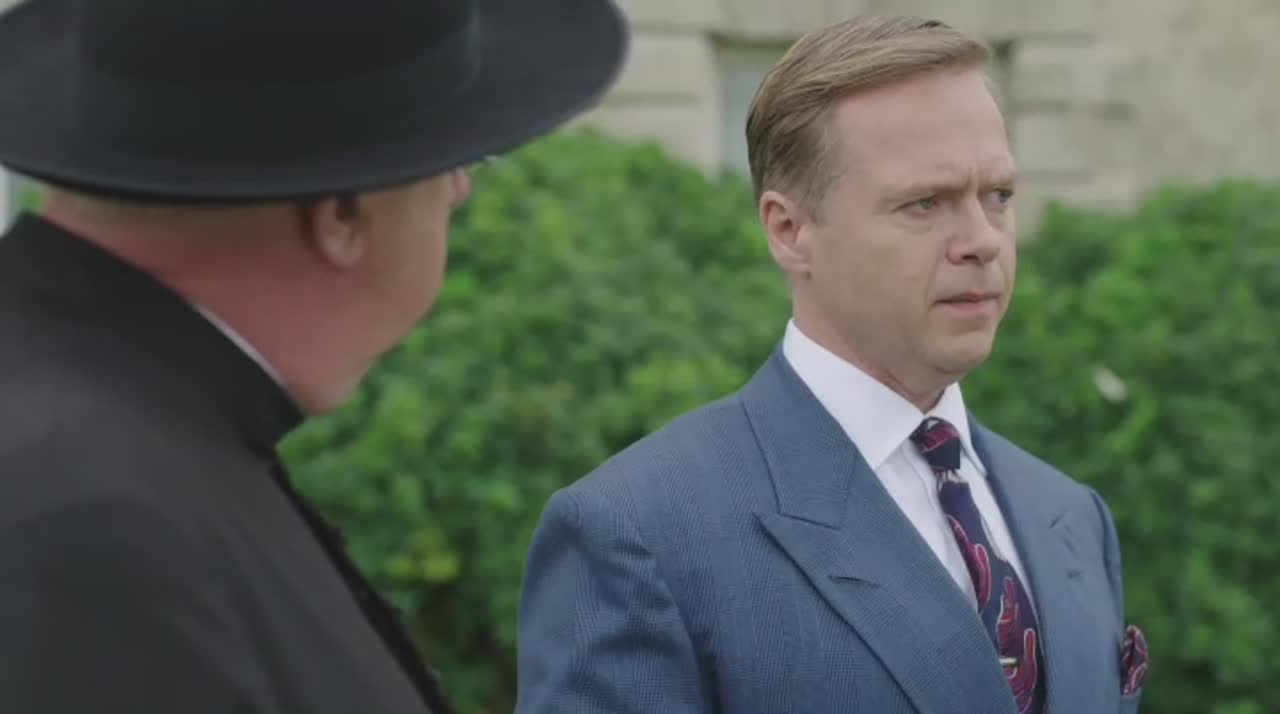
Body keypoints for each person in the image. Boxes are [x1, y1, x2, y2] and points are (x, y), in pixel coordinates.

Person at [0, 0, 625, 711]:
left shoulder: (114, 431)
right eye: (455, 160)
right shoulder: (100, 534)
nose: (459, 190)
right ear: (345, 213)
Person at [516, 15, 1148, 714]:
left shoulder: (1070, 515)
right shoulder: (639, 534)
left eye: (998, 196)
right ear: (790, 231)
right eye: (925, 203)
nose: (982, 240)